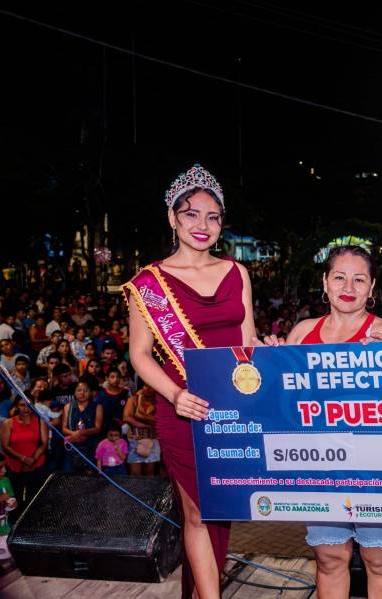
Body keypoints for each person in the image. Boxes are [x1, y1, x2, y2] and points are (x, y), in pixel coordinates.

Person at [126, 164, 256, 599]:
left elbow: (248, 340)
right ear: (172, 218)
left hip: (233, 411)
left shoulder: (238, 273)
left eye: (213, 217)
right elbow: (139, 355)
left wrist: (267, 352)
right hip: (183, 411)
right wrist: (176, 394)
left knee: (222, 512)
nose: (203, 225)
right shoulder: (149, 283)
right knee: (198, 513)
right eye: (191, 214)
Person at [264, 245, 382, 599]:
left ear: (372, 288)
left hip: (376, 465)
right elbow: (282, 406)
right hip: (319, 463)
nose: (349, 286)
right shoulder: (301, 333)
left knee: (381, 557)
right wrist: (268, 365)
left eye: (360, 279)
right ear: (325, 283)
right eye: (339, 277)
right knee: (328, 557)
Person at [0, 396, 48, 519]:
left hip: (36, 465)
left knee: (34, 498)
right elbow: (5, 446)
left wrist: (32, 459)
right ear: (16, 406)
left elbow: (44, 443)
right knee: (16, 498)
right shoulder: (8, 423)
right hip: (14, 466)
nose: (26, 408)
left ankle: (32, 525)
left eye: (28, 405)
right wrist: (23, 459)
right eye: (22, 405)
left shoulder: (40, 421)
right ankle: (15, 525)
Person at [61, 378, 103, 473]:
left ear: (91, 392)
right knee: (70, 478)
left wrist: (81, 433)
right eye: (79, 390)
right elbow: (63, 428)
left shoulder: (97, 407)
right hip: (72, 448)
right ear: (75, 393)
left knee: (89, 479)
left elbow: (97, 428)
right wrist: (74, 434)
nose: (82, 393)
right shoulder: (68, 406)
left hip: (90, 448)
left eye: (86, 390)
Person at [123, 384, 161, 476]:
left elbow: (158, 421)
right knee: (135, 475)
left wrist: (140, 417)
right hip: (135, 441)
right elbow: (127, 418)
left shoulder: (159, 402)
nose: (147, 388)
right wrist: (146, 425)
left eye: (151, 386)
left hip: (152, 441)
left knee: (150, 475)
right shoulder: (133, 399)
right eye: (145, 385)